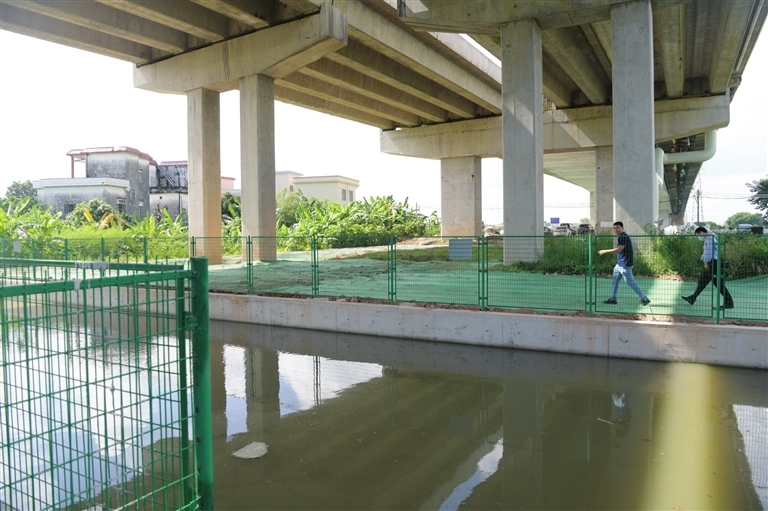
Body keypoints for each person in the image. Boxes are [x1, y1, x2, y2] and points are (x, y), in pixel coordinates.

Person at [598, 221, 650, 306]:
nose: (616, 230)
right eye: (614, 228)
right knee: (615, 281)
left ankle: (644, 298)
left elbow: (619, 249)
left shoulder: (623, 237)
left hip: (625, 265)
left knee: (630, 282)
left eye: (618, 227)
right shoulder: (621, 237)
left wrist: (605, 251)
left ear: (622, 228)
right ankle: (613, 299)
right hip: (619, 264)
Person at [682, 226, 734, 309]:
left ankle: (729, 303)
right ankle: (693, 298)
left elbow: (708, 252)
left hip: (712, 263)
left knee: (718, 284)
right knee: (703, 281)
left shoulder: (709, 239)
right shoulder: (709, 238)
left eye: (699, 234)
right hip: (713, 262)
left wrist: (705, 262)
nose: (699, 236)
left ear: (702, 232)